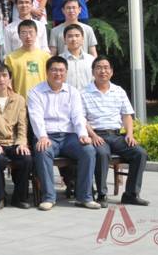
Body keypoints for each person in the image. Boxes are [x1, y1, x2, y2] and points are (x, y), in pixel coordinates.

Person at [29, 56, 100, 210]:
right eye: (54, 70)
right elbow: (36, 117)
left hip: (69, 137)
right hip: (48, 136)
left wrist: (82, 134)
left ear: (66, 73)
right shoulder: (36, 92)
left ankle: (84, 197)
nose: (58, 74)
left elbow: (78, 116)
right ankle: (49, 197)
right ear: (47, 72)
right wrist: (42, 136)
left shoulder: (72, 92)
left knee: (88, 150)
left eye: (61, 70)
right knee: (42, 150)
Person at [82, 56, 149, 206]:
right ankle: (101, 194)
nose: (103, 71)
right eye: (99, 67)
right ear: (93, 72)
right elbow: (81, 119)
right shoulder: (84, 92)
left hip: (117, 135)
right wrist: (93, 135)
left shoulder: (119, 91)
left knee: (140, 153)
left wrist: (129, 134)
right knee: (102, 154)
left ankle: (131, 194)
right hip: (97, 135)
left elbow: (126, 115)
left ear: (111, 72)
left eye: (106, 68)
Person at [0, 63, 33, 209]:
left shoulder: (19, 100)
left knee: (26, 159)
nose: (1, 79)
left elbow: (22, 125)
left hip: (14, 142)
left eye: (4, 75)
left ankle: (19, 198)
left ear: (10, 78)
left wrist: (22, 143)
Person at [4, 20, 51, 99]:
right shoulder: (11, 58)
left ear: (36, 34)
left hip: (42, 100)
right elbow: (8, 83)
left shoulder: (46, 57)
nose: (28, 36)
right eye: (24, 33)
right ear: (19, 36)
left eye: (31, 32)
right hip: (20, 101)